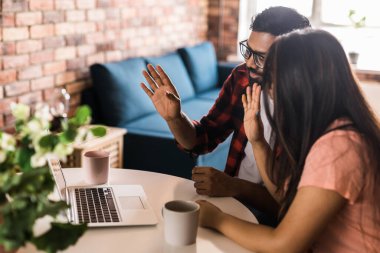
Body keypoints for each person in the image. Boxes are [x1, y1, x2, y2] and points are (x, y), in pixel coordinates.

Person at [196, 29, 380, 252]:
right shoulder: (334, 129)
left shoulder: (339, 147)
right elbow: (287, 201)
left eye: (273, 79)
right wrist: (257, 141)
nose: (270, 88)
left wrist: (216, 219)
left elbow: (284, 244)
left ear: (300, 83)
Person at [140, 7, 311, 223]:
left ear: (294, 59)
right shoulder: (242, 77)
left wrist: (234, 186)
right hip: (234, 202)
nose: (248, 63)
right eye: (248, 51)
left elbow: (291, 208)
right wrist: (174, 118)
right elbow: (202, 139)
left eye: (260, 57)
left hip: (277, 221)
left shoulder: (312, 109)